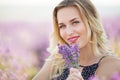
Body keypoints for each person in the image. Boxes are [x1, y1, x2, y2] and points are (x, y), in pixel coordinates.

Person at [32, 0, 120, 80]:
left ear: (91, 22)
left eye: (75, 22)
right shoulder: (57, 60)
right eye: (62, 26)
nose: (69, 32)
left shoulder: (111, 64)